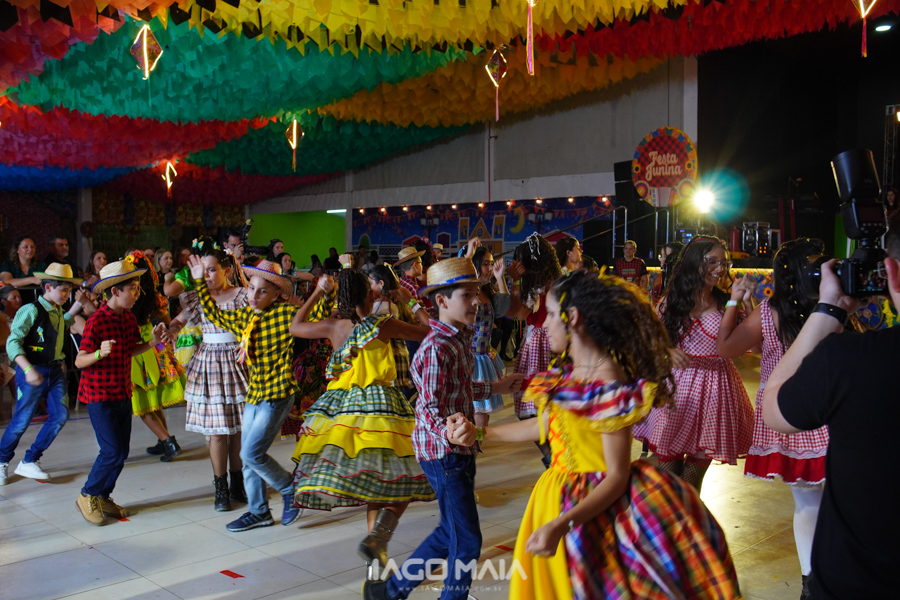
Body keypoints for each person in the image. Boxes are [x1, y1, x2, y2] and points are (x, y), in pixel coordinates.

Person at [449, 271, 741, 600]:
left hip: (590, 506)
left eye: (550, 314)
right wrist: (480, 433)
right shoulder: (568, 372)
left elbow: (616, 476)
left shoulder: (609, 382)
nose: (545, 324)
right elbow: (541, 426)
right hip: (554, 495)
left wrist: (563, 524)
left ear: (573, 318)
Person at [362, 257, 523, 600]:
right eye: (467, 295)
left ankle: (389, 592)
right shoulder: (437, 347)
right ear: (441, 301)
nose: (476, 302)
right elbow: (431, 408)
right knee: (467, 542)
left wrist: (498, 387)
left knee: (450, 533)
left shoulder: (459, 338)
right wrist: (448, 432)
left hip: (455, 448)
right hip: (444, 453)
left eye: (476, 294)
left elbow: (458, 390)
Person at [762, 211, 900, 599]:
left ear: (891, 273)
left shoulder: (850, 360)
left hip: (858, 583)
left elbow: (774, 407)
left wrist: (830, 308)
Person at [291, 268, 434, 575]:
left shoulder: (333, 326)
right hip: (380, 409)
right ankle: (378, 539)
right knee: (406, 477)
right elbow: (429, 331)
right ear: (370, 294)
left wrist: (317, 292)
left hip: (342, 413)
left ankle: (376, 558)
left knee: (378, 485)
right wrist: (411, 303)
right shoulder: (382, 324)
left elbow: (296, 326)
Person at [717, 238, 833, 597]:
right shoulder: (830, 307)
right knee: (837, 498)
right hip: (831, 406)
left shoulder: (770, 312)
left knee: (808, 503)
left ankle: (811, 583)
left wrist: (735, 300)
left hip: (787, 410)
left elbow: (727, 347)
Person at [186, 254, 334, 532]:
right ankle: (259, 512)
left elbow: (317, 319)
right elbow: (214, 314)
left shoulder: (286, 315)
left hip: (277, 395)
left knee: (252, 454)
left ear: (276, 294)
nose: (254, 296)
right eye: (252, 288)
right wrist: (199, 283)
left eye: (262, 291)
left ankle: (290, 489)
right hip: (254, 394)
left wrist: (326, 293)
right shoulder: (245, 316)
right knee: (248, 457)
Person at [633, 236, 754, 491]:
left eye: (724, 263)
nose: (720, 269)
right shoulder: (672, 301)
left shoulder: (726, 301)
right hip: (676, 389)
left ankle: (687, 514)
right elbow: (647, 340)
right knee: (669, 474)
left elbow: (753, 340)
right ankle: (675, 514)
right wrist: (666, 352)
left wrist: (745, 300)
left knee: (692, 482)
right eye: (713, 261)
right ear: (694, 262)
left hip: (715, 389)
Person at [74, 260, 169, 525]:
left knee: (122, 451)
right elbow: (79, 361)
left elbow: (131, 350)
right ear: (115, 291)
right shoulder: (96, 322)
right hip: (100, 396)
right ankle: (88, 494)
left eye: (138, 288)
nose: (138, 293)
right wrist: (98, 353)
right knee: (111, 451)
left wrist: (154, 343)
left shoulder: (128, 318)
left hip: (122, 393)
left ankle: (103, 496)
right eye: (133, 288)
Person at [168, 243, 249, 511]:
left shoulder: (242, 295)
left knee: (237, 429)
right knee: (217, 431)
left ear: (227, 270)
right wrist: (171, 330)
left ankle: (238, 483)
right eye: (203, 271)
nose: (207, 276)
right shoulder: (198, 298)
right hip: (210, 365)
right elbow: (179, 320)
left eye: (212, 270)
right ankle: (220, 487)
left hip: (237, 362)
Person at [0, 264, 85, 485]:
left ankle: (30, 459)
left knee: (60, 415)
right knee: (22, 420)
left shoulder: (57, 311)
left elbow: (64, 322)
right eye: (63, 290)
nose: (66, 295)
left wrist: (78, 304)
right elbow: (13, 342)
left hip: (54, 371)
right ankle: (1, 460)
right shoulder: (30, 310)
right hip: (33, 369)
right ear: (48, 287)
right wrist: (27, 369)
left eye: (69, 290)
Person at [126, 252, 186, 462]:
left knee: (141, 403)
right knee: (153, 400)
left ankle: (168, 442)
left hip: (136, 345)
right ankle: (163, 440)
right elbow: (168, 320)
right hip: (152, 344)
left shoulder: (126, 296)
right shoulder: (153, 296)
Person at [510, 233, 562, 467]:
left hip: (538, 343)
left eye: (521, 260)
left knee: (531, 406)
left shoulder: (536, 284)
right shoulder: (555, 279)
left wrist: (515, 281)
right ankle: (558, 456)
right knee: (547, 404)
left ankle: (553, 459)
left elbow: (520, 314)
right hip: (554, 341)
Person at [469, 246, 510, 428]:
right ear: (475, 265)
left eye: (491, 263)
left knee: (482, 412)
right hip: (470, 358)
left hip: (484, 355)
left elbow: (502, 310)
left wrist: (500, 278)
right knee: (478, 411)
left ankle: (478, 441)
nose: (490, 268)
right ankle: (475, 441)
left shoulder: (486, 290)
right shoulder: (467, 291)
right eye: (486, 264)